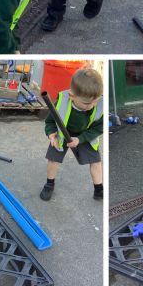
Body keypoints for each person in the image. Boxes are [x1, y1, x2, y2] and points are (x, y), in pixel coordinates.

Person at [40, 68, 103, 201]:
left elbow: (99, 128)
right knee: (53, 158)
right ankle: (49, 184)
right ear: (72, 96)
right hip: (63, 133)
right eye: (86, 103)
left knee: (96, 161)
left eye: (95, 101)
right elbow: (50, 122)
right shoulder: (62, 101)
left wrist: (80, 139)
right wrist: (51, 135)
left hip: (86, 134)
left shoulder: (100, 104)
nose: (91, 106)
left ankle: (99, 189)